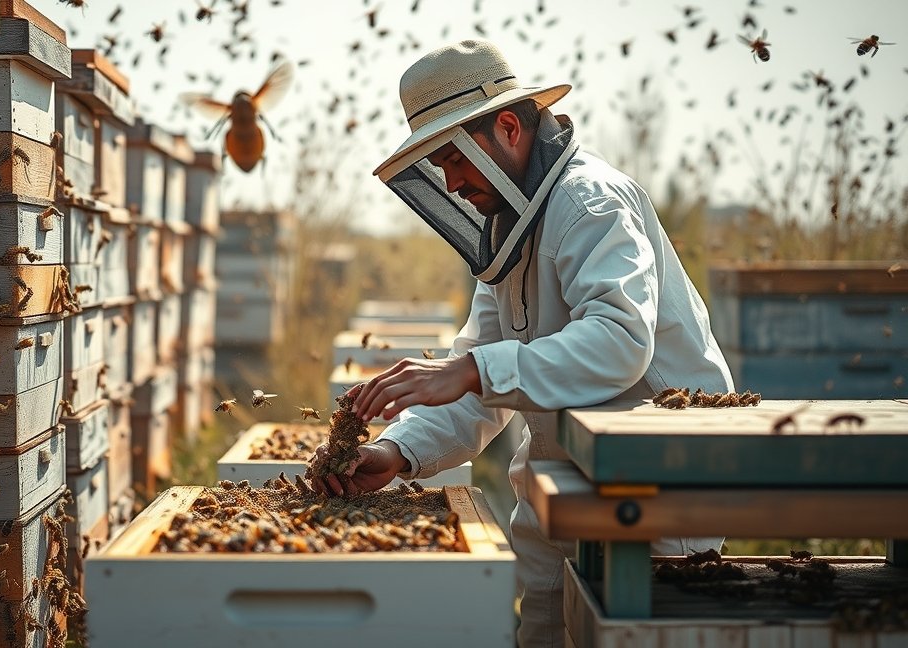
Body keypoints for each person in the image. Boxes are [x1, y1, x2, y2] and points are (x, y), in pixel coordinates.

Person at [309, 39, 733, 647]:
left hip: (651, 499)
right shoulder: (511, 234)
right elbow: (479, 383)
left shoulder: (592, 202)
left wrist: (472, 371)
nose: (450, 184)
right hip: (555, 489)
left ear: (507, 127)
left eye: (452, 161)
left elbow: (619, 341)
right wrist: (397, 454)